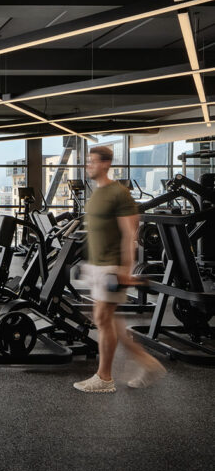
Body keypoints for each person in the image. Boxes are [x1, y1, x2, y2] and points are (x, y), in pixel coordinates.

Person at [73, 146, 165, 393]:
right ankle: (149, 364)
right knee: (112, 324)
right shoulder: (97, 193)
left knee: (103, 319)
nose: (88, 166)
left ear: (105, 164)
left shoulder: (118, 193)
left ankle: (104, 379)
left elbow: (129, 233)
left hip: (112, 265)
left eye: (92, 162)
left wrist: (127, 269)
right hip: (97, 264)